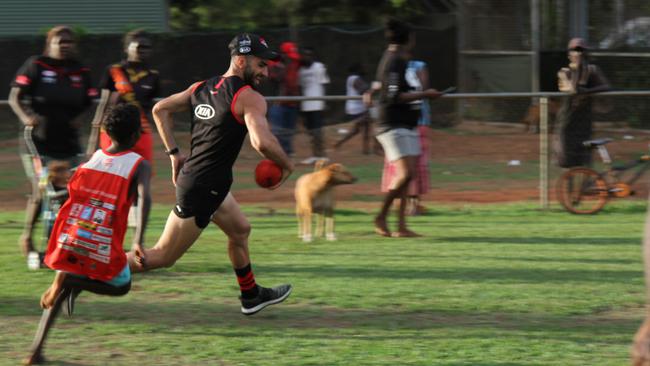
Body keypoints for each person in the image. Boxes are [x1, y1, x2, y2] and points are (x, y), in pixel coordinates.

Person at [126, 33, 295, 316]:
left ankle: (250, 295)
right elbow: (262, 142)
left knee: (240, 230)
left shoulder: (201, 87)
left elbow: (160, 109)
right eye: (261, 64)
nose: (266, 72)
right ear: (241, 61)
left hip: (208, 183)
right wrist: (287, 165)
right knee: (162, 256)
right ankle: (92, 269)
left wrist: (174, 154)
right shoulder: (249, 98)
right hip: (202, 189)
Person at [23, 104, 151, 365]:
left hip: (74, 235)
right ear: (136, 134)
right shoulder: (139, 165)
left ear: (106, 132)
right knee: (122, 285)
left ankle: (35, 352)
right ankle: (72, 282)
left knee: (65, 285)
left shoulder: (92, 159)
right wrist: (138, 239)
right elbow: (145, 198)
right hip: (102, 243)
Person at [9, 25, 98, 259]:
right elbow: (14, 97)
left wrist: (80, 119)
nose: (65, 45)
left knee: (69, 193)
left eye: (69, 42)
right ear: (51, 44)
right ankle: (28, 236)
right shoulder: (36, 65)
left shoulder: (81, 70)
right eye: (61, 41)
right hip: (38, 142)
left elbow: (90, 101)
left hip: (68, 142)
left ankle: (63, 243)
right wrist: (27, 117)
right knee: (42, 190)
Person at [367, 19, 441, 238]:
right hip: (392, 123)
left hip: (407, 123)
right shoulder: (394, 61)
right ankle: (381, 216)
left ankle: (401, 226)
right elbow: (393, 96)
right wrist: (426, 95)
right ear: (408, 39)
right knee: (406, 173)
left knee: (409, 176)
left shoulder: (398, 59)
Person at [88, 29, 160, 163]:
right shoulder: (114, 70)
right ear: (127, 48)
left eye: (147, 47)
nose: (143, 50)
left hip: (140, 131)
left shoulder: (153, 75)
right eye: (139, 46)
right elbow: (103, 104)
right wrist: (93, 140)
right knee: (113, 171)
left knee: (141, 170)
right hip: (113, 132)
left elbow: (152, 108)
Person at [381, 59, 432, 215]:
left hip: (407, 121)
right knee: (410, 166)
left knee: (404, 166)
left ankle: (404, 206)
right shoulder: (402, 65)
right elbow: (422, 90)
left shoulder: (390, 63)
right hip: (406, 122)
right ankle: (405, 206)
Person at [556, 37, 610, 168]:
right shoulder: (564, 72)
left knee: (585, 158)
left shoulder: (593, 70)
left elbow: (606, 86)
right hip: (568, 122)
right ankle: (569, 187)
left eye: (581, 50)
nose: (578, 53)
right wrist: (576, 67)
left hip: (585, 122)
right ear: (569, 53)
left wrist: (589, 90)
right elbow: (572, 89)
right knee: (567, 160)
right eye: (575, 50)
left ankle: (586, 186)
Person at [334, 63, 379, 155]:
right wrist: (375, 88)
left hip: (358, 107)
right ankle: (371, 149)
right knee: (367, 124)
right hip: (357, 108)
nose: (365, 70)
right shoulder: (355, 79)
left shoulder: (351, 78)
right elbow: (365, 92)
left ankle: (364, 149)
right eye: (363, 68)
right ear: (358, 70)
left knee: (360, 128)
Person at [268, 41, 301, 157]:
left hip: (292, 103)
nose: (292, 59)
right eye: (289, 56)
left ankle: (287, 152)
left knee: (289, 130)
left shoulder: (294, 64)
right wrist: (285, 67)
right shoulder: (274, 65)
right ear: (283, 54)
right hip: (278, 104)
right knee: (278, 131)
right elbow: (276, 80)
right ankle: (277, 152)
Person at [298, 47, 330, 164]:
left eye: (309, 55)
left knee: (318, 131)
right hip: (306, 106)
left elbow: (324, 84)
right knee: (311, 132)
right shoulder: (301, 70)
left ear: (313, 57)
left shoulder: (319, 67)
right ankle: (315, 155)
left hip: (317, 104)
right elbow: (301, 88)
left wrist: (324, 102)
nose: (307, 57)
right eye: (305, 55)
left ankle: (322, 155)